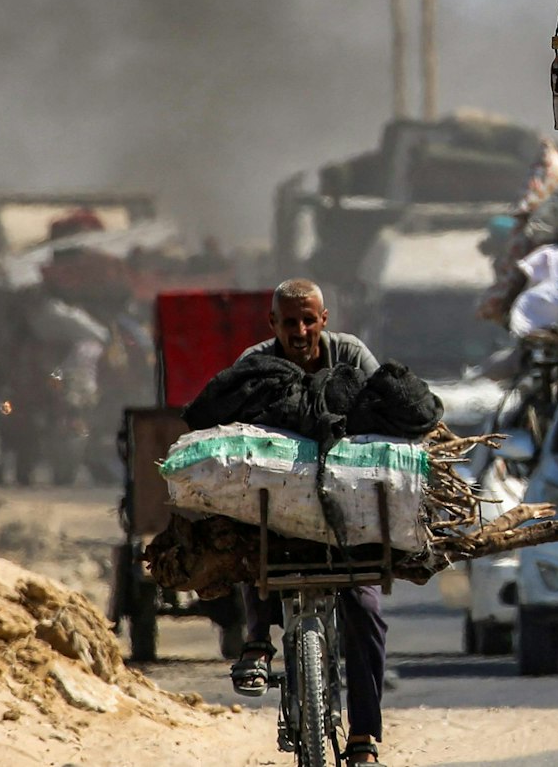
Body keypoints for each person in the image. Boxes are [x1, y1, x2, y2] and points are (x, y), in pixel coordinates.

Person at [228, 278, 389, 766]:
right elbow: (231, 431)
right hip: (279, 511)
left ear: (324, 319)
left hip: (347, 516)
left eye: (308, 319)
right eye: (289, 321)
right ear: (272, 323)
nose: (299, 330)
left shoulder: (351, 356)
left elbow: (390, 409)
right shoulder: (254, 364)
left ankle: (364, 736)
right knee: (244, 534)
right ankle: (257, 642)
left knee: (366, 609)